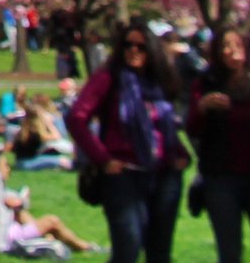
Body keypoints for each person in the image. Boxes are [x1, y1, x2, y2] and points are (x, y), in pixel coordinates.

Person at [64, 24, 186, 263]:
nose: (134, 50)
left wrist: (180, 154)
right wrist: (103, 158)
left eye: (141, 46)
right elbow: (77, 118)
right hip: (124, 175)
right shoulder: (109, 78)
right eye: (128, 45)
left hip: (164, 174)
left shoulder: (159, 82)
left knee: (160, 253)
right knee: (127, 249)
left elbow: (166, 125)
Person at [187, 29, 250, 263]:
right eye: (225, 45)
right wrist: (202, 108)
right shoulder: (205, 83)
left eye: (237, 44)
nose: (232, 51)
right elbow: (192, 129)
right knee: (229, 249)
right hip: (221, 176)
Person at [0, 134, 93, 256]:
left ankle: (54, 239)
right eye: (5, 165)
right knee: (52, 221)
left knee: (21, 212)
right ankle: (84, 247)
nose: (8, 169)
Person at [13, 97, 73, 172]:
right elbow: (57, 137)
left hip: (21, 161)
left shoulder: (24, 129)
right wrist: (49, 123)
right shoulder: (35, 132)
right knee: (63, 161)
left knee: (54, 156)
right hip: (27, 163)